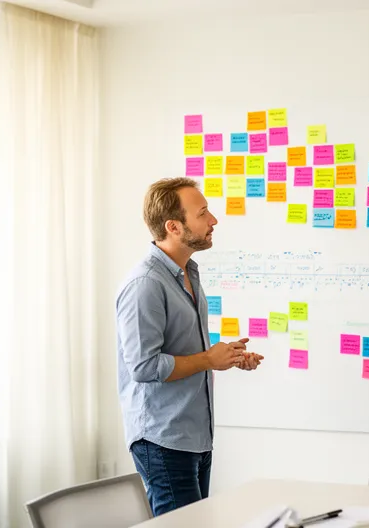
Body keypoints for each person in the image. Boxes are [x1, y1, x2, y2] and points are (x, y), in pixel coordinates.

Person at [116, 177, 264, 516]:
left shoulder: (188, 274)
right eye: (203, 213)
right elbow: (144, 367)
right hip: (163, 439)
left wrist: (225, 357)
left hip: (195, 435)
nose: (213, 220)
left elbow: (186, 351)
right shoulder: (145, 285)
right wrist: (207, 358)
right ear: (174, 227)